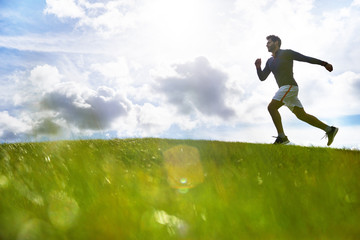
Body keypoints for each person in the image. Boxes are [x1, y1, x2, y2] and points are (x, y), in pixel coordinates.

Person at [255, 35, 338, 146]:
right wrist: (258, 67)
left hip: (289, 86)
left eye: (269, 42)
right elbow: (262, 77)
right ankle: (330, 130)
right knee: (302, 115)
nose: (267, 44)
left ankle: (282, 137)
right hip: (285, 90)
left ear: (276, 43)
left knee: (271, 107)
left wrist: (324, 63)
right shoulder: (269, 61)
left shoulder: (287, 53)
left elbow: (305, 58)